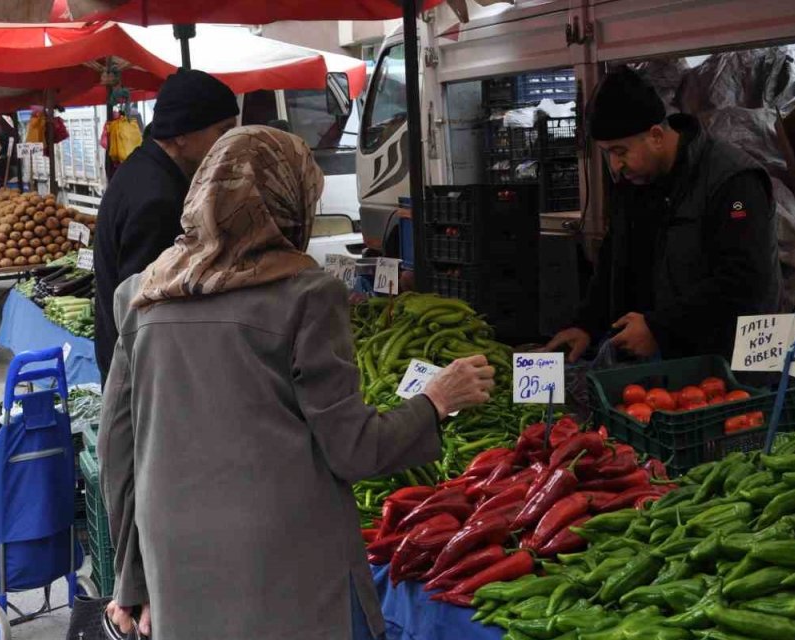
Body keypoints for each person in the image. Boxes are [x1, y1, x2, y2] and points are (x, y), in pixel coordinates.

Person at [99, 126, 497, 639]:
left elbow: (117, 449)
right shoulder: (306, 297)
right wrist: (436, 401)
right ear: (289, 199)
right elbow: (354, 449)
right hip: (284, 560)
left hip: (173, 550)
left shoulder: (142, 295)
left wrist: (131, 579)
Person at [544, 67, 781, 363]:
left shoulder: (733, 181)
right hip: (656, 366)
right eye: (607, 153)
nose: (615, 165)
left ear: (656, 136)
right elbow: (614, 261)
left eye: (620, 151)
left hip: (724, 367)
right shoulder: (634, 182)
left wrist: (660, 327)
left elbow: (744, 282)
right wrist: (586, 324)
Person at [93, 69, 239, 385]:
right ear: (182, 134)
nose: (229, 144)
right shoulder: (158, 198)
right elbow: (148, 310)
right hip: (144, 377)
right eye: (223, 131)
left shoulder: (144, 169)